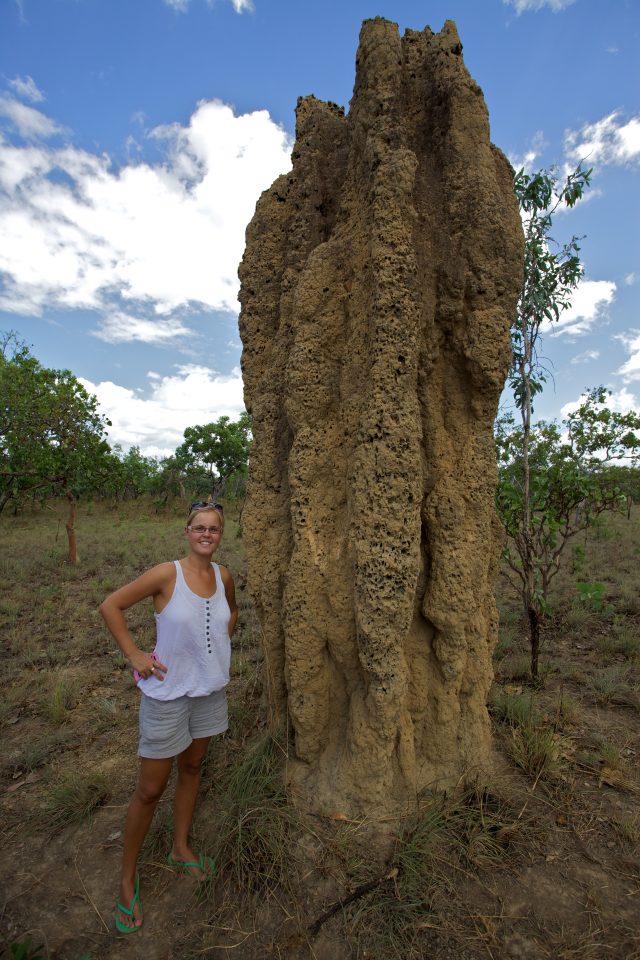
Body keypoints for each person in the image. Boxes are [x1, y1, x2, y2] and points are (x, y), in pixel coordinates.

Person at [99, 501, 237, 934]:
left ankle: (180, 847)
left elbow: (227, 618)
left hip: (208, 692)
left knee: (193, 767)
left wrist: (210, 657)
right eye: (200, 527)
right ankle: (126, 879)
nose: (206, 534)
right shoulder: (166, 574)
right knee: (149, 789)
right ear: (187, 531)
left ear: (220, 534)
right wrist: (135, 654)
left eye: (214, 529)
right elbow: (110, 606)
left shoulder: (224, 576)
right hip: (167, 696)